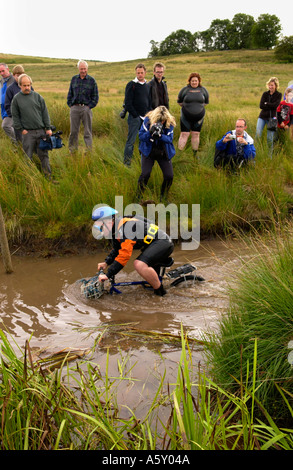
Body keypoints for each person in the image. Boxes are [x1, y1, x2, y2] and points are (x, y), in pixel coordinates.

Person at [92, 206, 174, 296]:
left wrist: (108, 274)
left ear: (108, 221)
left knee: (139, 264)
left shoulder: (126, 228)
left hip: (163, 243)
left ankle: (161, 292)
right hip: (152, 245)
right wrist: (106, 263)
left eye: (101, 227)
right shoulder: (116, 230)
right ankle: (157, 283)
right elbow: (117, 250)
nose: (100, 231)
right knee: (148, 278)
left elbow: (124, 256)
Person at [11, 74, 54, 179]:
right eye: (24, 85)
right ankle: (29, 179)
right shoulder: (16, 99)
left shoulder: (38, 97)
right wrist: (21, 130)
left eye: (29, 85)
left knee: (44, 156)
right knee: (27, 156)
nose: (27, 88)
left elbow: (45, 113)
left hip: (41, 132)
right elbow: (15, 117)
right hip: (27, 133)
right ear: (20, 85)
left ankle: (48, 177)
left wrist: (48, 128)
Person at [137, 106, 176, 202]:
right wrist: (150, 133)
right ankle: (139, 196)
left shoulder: (169, 123)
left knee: (169, 176)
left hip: (163, 152)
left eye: (163, 121)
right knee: (145, 174)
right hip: (148, 151)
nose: (161, 122)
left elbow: (169, 139)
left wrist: (159, 135)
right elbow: (141, 136)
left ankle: (163, 197)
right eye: (159, 121)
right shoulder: (147, 120)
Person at [67, 60, 99, 152]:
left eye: (84, 69)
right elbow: (70, 94)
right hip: (75, 108)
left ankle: (88, 151)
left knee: (87, 132)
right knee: (73, 131)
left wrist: (89, 107)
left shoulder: (92, 81)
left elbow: (95, 97)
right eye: (81, 69)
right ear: (78, 69)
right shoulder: (74, 79)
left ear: (87, 69)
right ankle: (72, 151)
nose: (83, 71)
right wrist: (71, 105)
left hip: (86, 108)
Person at [123, 63, 150, 166]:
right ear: (136, 73)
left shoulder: (147, 86)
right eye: (138, 73)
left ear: (145, 73)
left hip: (145, 118)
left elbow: (149, 101)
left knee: (143, 141)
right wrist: (135, 115)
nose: (140, 75)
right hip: (135, 118)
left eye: (141, 73)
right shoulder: (131, 84)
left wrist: (148, 116)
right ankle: (127, 164)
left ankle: (142, 162)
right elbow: (128, 103)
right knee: (131, 142)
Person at [177, 72, 209, 160]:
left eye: (196, 81)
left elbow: (205, 102)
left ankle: (194, 155)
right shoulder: (184, 90)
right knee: (184, 134)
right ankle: (179, 155)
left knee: (196, 134)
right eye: (192, 81)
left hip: (199, 118)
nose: (194, 82)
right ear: (189, 81)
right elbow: (179, 102)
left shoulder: (203, 90)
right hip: (185, 117)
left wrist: (197, 109)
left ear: (199, 81)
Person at [255, 77, 282, 157]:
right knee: (258, 135)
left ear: (276, 86)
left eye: (272, 85)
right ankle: (255, 153)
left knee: (270, 138)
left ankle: (269, 156)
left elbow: (275, 105)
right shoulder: (265, 94)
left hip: (272, 119)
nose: (270, 87)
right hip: (262, 117)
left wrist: (266, 104)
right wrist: (268, 105)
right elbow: (261, 105)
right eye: (269, 85)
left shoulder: (279, 94)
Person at [4, 65, 30, 143]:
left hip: (28, 117)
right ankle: (19, 149)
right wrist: (14, 116)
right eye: (17, 76)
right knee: (19, 138)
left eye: (21, 76)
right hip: (16, 117)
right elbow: (7, 105)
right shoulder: (10, 89)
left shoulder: (29, 87)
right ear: (13, 75)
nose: (19, 78)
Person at [0, 63, 16, 142]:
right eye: (0, 72)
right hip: (3, 109)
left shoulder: (14, 80)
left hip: (11, 109)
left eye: (3, 71)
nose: (1, 73)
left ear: (8, 69)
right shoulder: (1, 81)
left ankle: (18, 143)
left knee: (5, 126)